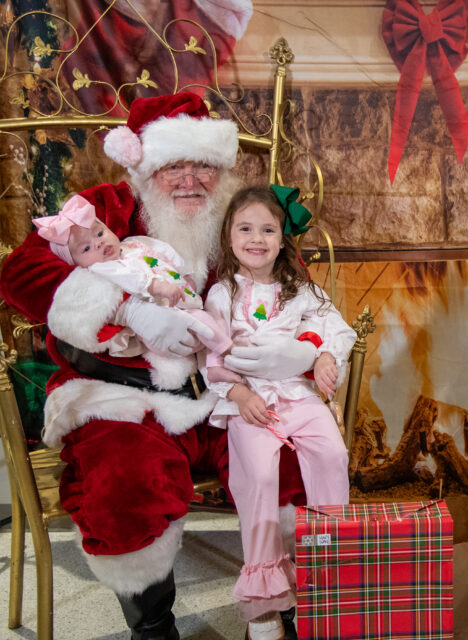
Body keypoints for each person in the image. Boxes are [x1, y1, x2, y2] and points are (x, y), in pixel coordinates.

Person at [0, 93, 320, 640]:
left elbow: (297, 289)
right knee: (125, 481)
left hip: (229, 391)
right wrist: (123, 309)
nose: (189, 181)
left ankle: (282, 609)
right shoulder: (101, 209)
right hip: (124, 394)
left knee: (297, 462)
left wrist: (297, 347)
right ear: (145, 167)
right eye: (174, 166)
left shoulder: (242, 218)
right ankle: (153, 629)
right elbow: (20, 275)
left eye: (203, 166)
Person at [201, 185, 354, 640]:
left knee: (332, 454)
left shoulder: (301, 289)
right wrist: (238, 395)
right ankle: (265, 598)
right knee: (260, 478)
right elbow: (211, 358)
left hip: (297, 394)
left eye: (268, 230)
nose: (257, 239)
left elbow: (335, 327)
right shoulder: (222, 294)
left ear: (282, 238)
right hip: (250, 399)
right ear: (229, 237)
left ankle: (324, 573)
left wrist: (324, 357)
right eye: (245, 229)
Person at [32, 193, 233, 367]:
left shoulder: (134, 243)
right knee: (186, 332)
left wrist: (184, 271)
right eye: (86, 248)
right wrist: (156, 286)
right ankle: (227, 352)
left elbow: (163, 249)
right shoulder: (101, 269)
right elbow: (133, 280)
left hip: (181, 294)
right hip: (160, 314)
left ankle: (219, 360)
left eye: (100, 233)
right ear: (77, 264)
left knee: (209, 322)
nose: (99, 243)